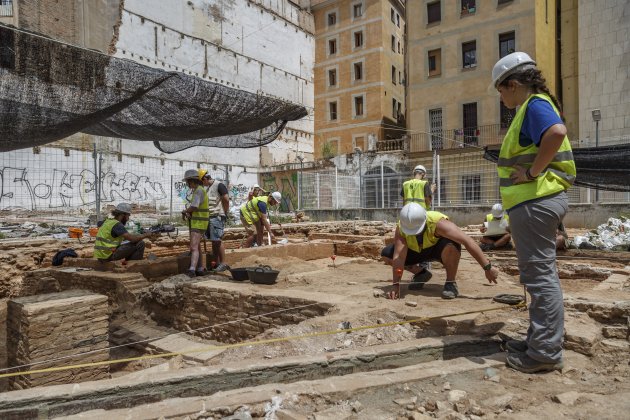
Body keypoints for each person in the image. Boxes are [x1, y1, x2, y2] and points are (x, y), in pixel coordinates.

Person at [492, 52, 576, 373]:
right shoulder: (532, 106)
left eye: (501, 91)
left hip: (535, 201)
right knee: (539, 276)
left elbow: (556, 133)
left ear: (513, 84)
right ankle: (538, 341)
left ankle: (544, 353)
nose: (501, 98)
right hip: (535, 203)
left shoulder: (534, 105)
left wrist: (530, 174)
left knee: (540, 278)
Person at [381, 203, 499, 300]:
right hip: (416, 251)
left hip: (438, 250)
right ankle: (421, 273)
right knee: (387, 254)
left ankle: (450, 282)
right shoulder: (402, 227)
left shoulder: (438, 222)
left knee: (453, 244)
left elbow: (468, 241)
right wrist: (396, 284)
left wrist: (487, 267)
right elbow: (399, 257)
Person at [200, 169, 231, 272]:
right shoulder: (208, 188)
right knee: (214, 241)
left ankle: (223, 263)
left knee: (217, 239)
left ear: (205, 178)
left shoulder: (219, 185)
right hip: (210, 217)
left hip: (217, 216)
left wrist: (225, 212)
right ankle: (216, 263)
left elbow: (226, 199)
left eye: (201, 181)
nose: (201, 184)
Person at [181, 169, 210, 277]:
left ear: (191, 181)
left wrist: (185, 211)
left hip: (198, 223)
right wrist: (190, 214)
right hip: (200, 222)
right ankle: (200, 268)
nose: (187, 184)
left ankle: (192, 269)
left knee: (193, 247)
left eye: (187, 182)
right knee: (197, 247)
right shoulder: (200, 190)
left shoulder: (198, 191)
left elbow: (194, 206)